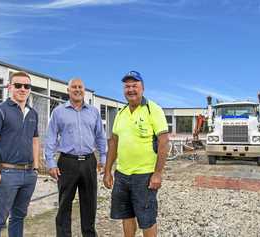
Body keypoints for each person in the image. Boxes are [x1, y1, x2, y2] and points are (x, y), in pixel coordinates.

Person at [103, 71, 169, 237]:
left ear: (143, 88)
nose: (131, 89)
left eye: (135, 85)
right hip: (122, 175)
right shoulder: (121, 113)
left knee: (147, 219)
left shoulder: (153, 110)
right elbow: (114, 142)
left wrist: (158, 174)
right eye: (127, 86)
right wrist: (107, 171)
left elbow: (163, 143)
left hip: (145, 176)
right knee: (126, 215)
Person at [45, 78, 107, 237]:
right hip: (67, 162)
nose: (77, 89)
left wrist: (103, 159)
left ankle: (89, 234)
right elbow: (51, 137)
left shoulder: (93, 112)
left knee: (89, 204)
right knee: (64, 204)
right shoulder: (58, 112)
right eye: (74, 87)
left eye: (80, 87)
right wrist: (51, 163)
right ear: (68, 90)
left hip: (88, 162)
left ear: (84, 90)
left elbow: (100, 136)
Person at [0, 71, 39, 237]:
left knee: (19, 217)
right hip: (6, 174)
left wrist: (35, 168)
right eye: (18, 85)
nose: (23, 89)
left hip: (28, 174)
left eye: (26, 86)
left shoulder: (32, 113)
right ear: (9, 87)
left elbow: (35, 140)